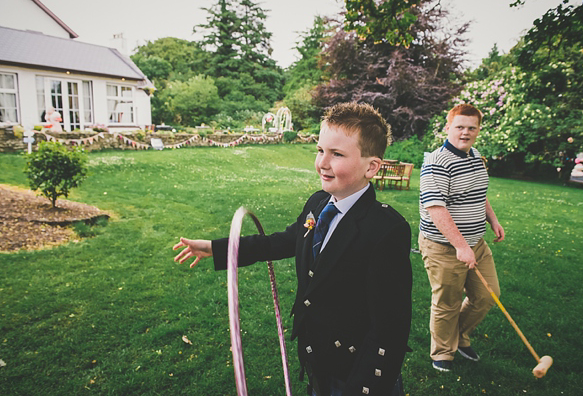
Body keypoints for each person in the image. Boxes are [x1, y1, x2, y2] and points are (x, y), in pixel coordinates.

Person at [173, 103, 412, 395]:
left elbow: (389, 328)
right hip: (317, 355)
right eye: (320, 150)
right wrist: (217, 248)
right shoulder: (318, 203)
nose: (322, 163)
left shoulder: (385, 230)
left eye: (337, 154)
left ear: (371, 166)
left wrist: (362, 388)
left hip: (354, 370)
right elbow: (282, 242)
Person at [418, 103, 505, 372]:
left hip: (475, 243)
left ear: (478, 130)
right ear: (448, 128)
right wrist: (460, 245)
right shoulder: (436, 162)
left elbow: (478, 193)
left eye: (471, 128)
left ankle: (458, 335)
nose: (465, 132)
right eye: (459, 127)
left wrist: (492, 219)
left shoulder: (475, 156)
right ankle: (443, 351)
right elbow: (436, 208)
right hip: (444, 247)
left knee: (488, 295)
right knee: (447, 302)